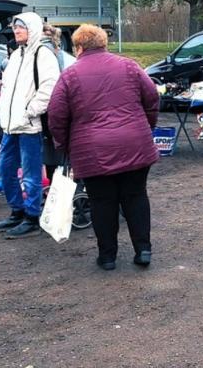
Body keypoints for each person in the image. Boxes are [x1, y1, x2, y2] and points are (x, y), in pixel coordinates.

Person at [48, 25, 160, 270]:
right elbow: (152, 97)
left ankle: (107, 256)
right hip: (134, 143)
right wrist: (145, 127)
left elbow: (56, 116)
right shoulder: (129, 66)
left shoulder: (69, 75)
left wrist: (66, 145)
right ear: (104, 44)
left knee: (102, 202)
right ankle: (143, 249)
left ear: (78, 48)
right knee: (136, 196)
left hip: (92, 151)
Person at [0, 12, 61, 238]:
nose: (16, 31)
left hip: (30, 127)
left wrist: (29, 111)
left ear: (32, 29)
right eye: (15, 28)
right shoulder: (15, 56)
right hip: (10, 126)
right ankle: (17, 211)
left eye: (21, 28)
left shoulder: (43, 54)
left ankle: (32, 216)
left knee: (31, 175)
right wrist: (5, 111)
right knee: (4, 170)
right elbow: (7, 89)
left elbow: (50, 88)